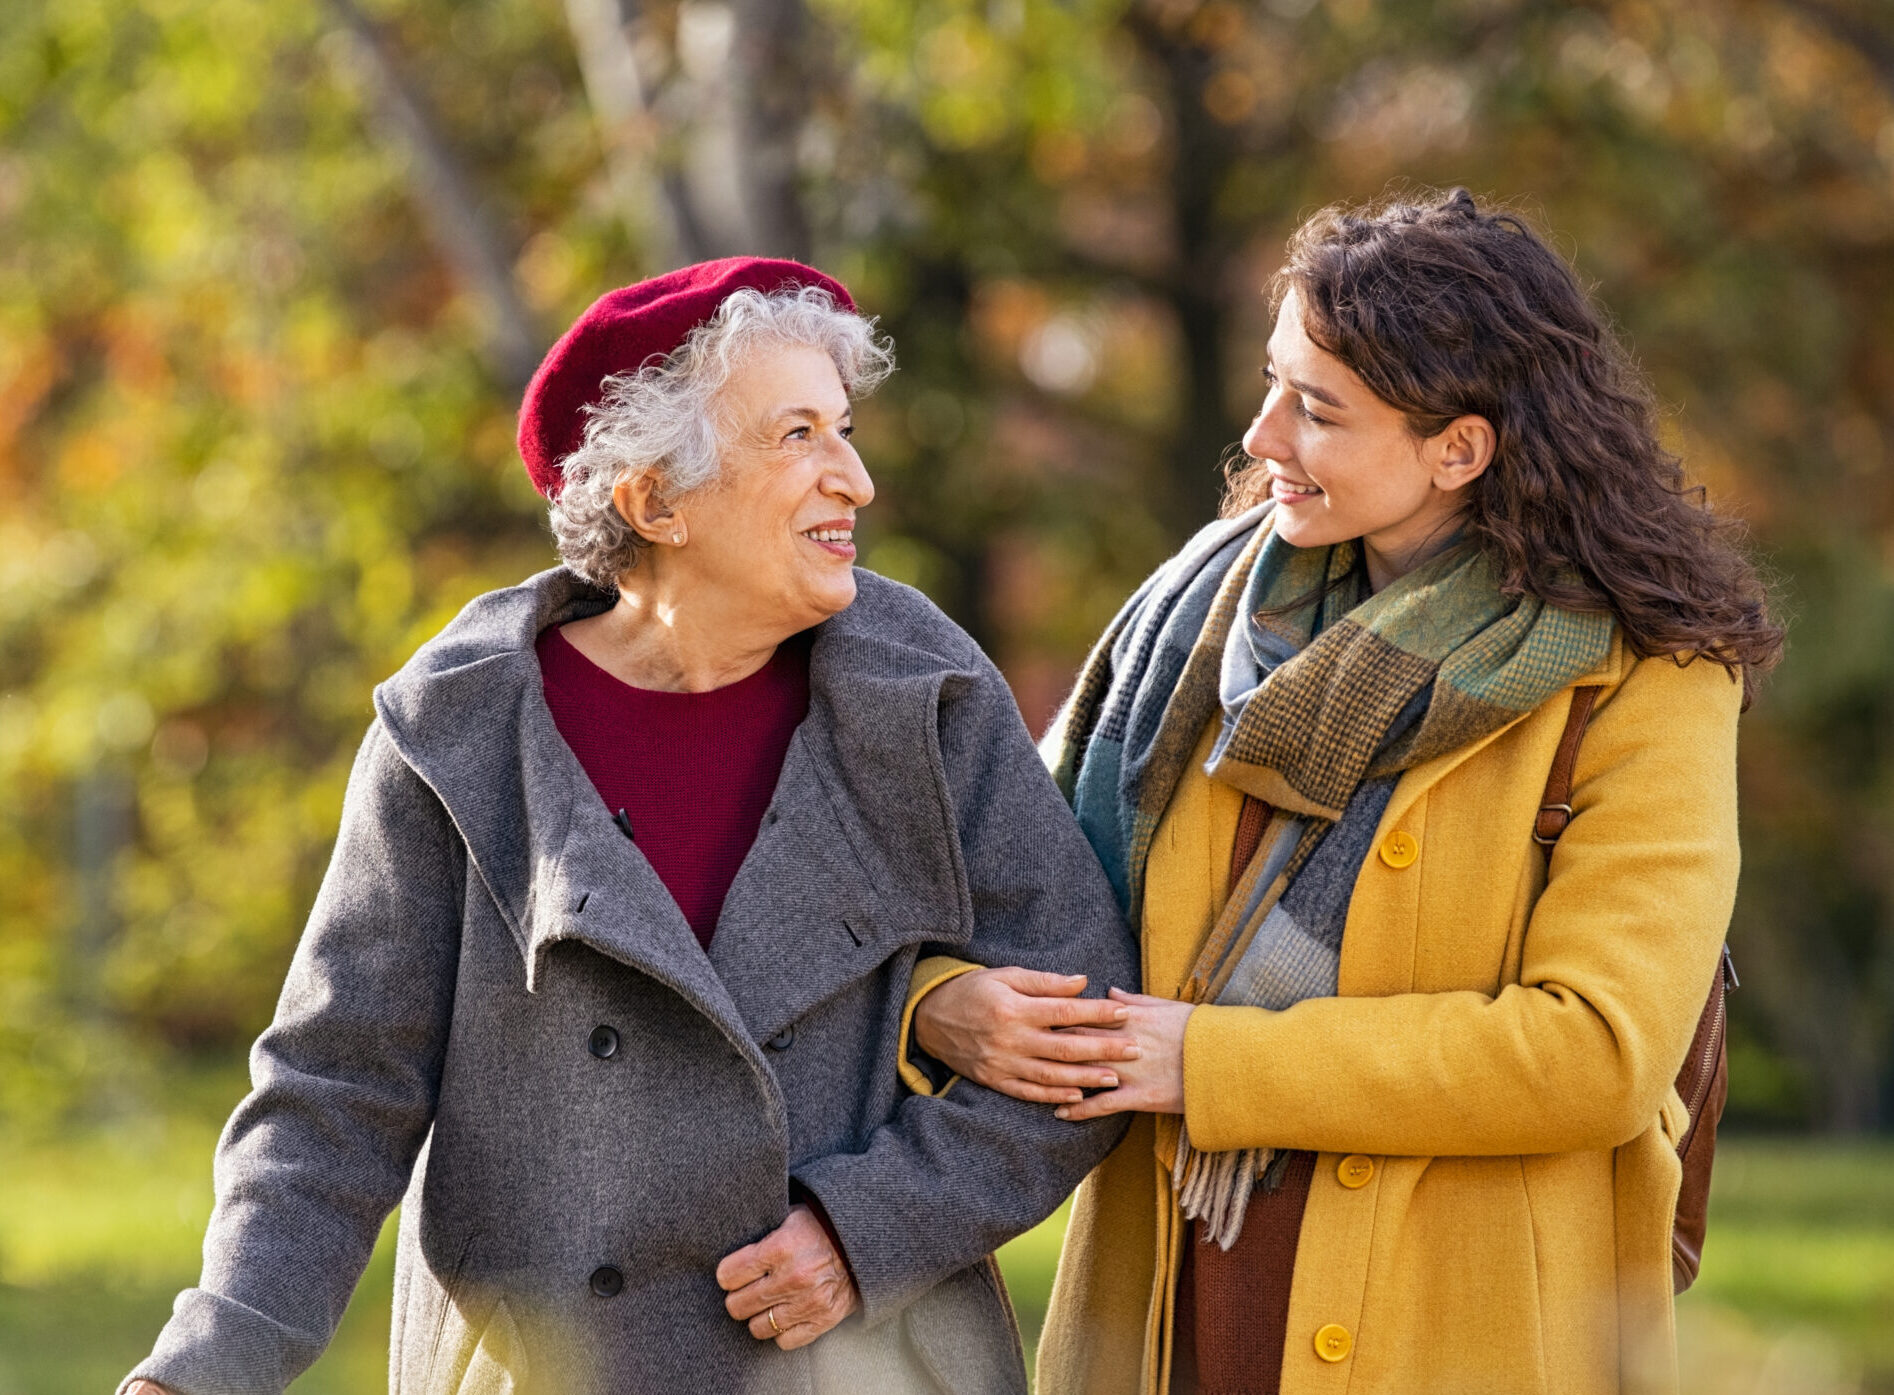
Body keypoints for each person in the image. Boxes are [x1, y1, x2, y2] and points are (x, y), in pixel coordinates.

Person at [121, 257, 1138, 1395]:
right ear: (656, 502)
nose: (851, 477)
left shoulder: (924, 694)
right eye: (796, 436)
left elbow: (1080, 1034)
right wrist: (206, 1364)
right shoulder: (459, 733)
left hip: (859, 1364)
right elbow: (335, 1096)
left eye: (843, 430)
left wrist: (867, 1231)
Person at [907, 190, 1781, 1395]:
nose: (1263, 435)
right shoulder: (1198, 628)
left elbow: (1595, 1050)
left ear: (1457, 449)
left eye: (1316, 409)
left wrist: (1212, 1067)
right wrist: (944, 1001)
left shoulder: (1644, 680)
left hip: (1459, 1332)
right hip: (1164, 1312)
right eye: (1273, 384)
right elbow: (998, 894)